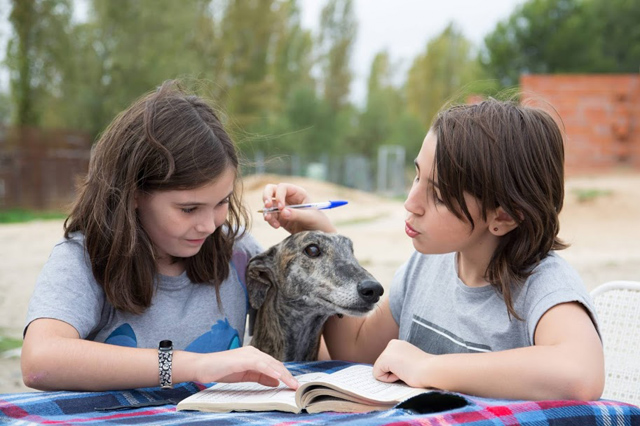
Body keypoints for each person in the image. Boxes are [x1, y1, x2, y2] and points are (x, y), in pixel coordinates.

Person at [262, 99, 604, 401]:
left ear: (503, 216)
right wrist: (318, 236)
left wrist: (429, 367)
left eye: (438, 195)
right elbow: (354, 348)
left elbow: (580, 374)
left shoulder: (543, 283)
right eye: (416, 176)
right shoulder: (426, 265)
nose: (411, 203)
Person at [22, 80, 298, 392]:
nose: (209, 225)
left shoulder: (236, 250)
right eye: (189, 208)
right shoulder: (83, 257)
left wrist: (312, 233)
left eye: (221, 202)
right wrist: (194, 366)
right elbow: (40, 362)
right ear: (134, 193)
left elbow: (333, 350)